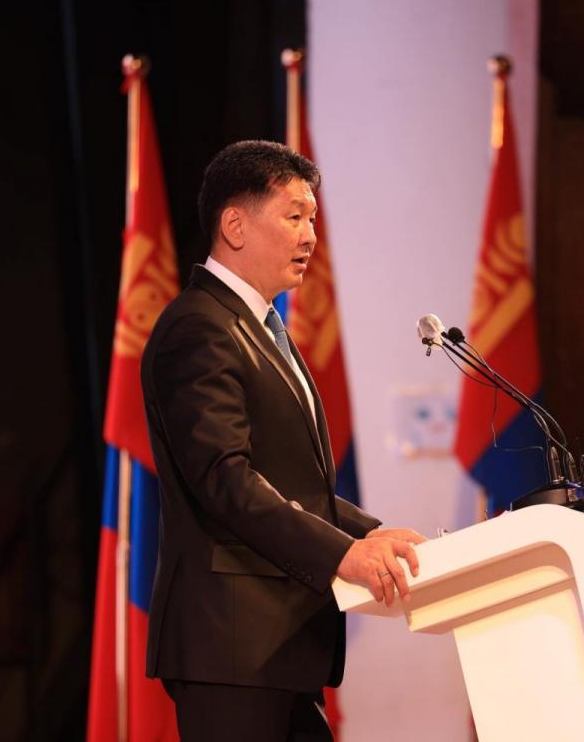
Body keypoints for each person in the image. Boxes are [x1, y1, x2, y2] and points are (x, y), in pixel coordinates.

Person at [141, 140, 425, 741]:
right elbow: (227, 480)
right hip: (231, 647)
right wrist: (341, 553)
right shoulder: (199, 327)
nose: (310, 236)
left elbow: (284, 478)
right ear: (235, 226)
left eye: (313, 219)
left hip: (274, 647)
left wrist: (368, 533)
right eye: (294, 216)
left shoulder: (258, 325)